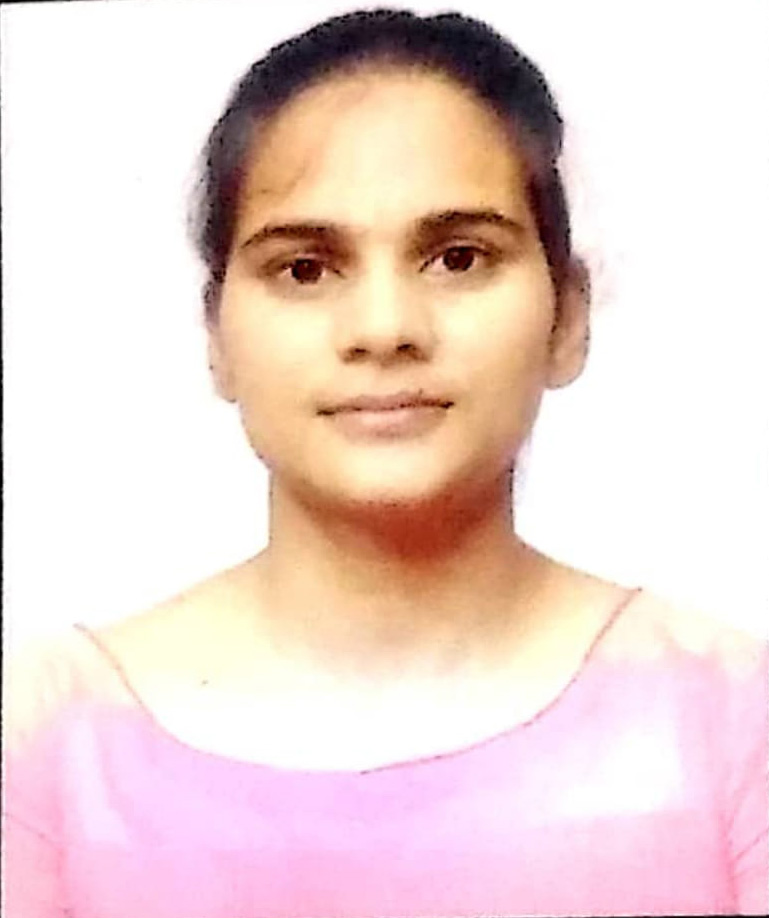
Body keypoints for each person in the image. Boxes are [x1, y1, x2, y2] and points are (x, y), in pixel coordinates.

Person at [3, 8, 767, 917]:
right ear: (215, 336)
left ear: (567, 315)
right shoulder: (50, 740)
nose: (384, 329)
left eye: (457, 258)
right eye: (304, 269)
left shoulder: (728, 720)